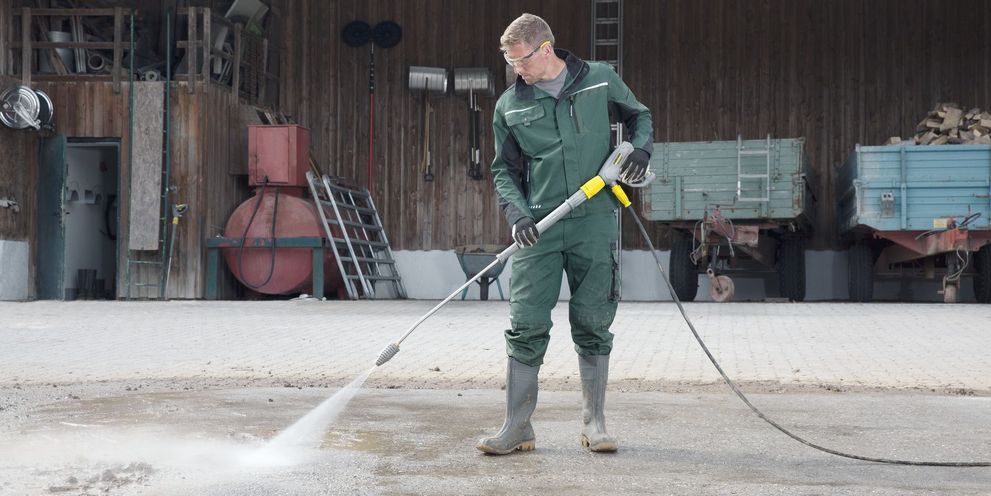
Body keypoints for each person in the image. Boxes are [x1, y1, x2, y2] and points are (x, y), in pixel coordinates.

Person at [478, 13, 653, 455]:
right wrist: (517, 216)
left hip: (594, 219)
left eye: (521, 60)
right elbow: (503, 172)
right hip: (538, 227)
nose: (516, 69)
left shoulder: (599, 78)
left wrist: (641, 150)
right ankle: (517, 426)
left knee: (593, 320)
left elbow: (640, 116)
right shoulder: (509, 105)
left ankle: (595, 423)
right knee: (526, 324)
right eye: (510, 62)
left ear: (546, 49)